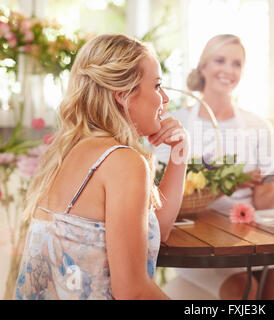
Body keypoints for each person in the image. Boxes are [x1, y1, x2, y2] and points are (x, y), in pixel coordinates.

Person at [14, 34, 189, 300]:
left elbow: (156, 231)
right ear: (124, 95)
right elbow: (133, 292)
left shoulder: (69, 151)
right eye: (157, 86)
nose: (164, 98)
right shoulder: (123, 162)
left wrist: (180, 154)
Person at [154, 34, 274, 300]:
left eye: (236, 63)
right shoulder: (175, 123)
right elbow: (163, 195)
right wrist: (227, 184)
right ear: (203, 67)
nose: (228, 70)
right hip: (204, 245)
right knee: (244, 290)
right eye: (220, 60)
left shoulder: (258, 126)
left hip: (253, 239)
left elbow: (263, 203)